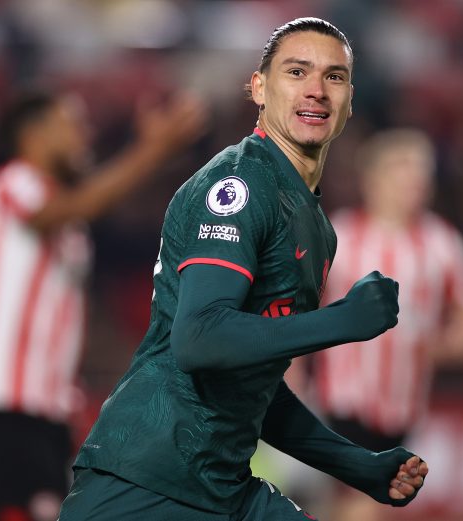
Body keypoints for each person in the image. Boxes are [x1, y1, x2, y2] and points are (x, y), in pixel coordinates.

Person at [59, 18, 428, 521]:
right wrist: (343, 321)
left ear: (349, 99)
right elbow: (201, 339)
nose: (317, 90)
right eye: (297, 72)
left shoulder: (316, 227)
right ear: (258, 88)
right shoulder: (238, 184)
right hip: (147, 484)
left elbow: (251, 380)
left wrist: (356, 465)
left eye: (334, 77)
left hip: (224, 486)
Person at [0, 89, 206, 521]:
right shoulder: (11, 182)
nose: (84, 135)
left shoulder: (69, 217)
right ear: (35, 134)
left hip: (52, 400)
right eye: (71, 124)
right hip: (9, 397)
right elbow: (86, 201)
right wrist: (152, 149)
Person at [311, 129, 463, 520]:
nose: (415, 180)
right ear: (373, 178)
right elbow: (300, 309)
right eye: (403, 168)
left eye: (421, 171)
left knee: (360, 504)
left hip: (405, 407)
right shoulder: (340, 235)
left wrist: (437, 347)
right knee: (363, 502)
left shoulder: (442, 243)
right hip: (341, 400)